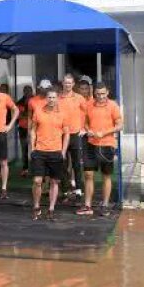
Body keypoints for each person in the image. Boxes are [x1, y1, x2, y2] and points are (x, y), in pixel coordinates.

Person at [80, 81, 123, 217]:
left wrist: (104, 133)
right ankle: (87, 205)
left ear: (107, 93)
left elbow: (120, 125)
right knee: (88, 174)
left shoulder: (113, 106)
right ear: (94, 93)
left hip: (107, 144)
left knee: (106, 175)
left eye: (103, 94)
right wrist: (88, 130)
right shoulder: (89, 105)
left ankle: (105, 205)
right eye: (98, 94)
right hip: (90, 144)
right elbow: (85, 121)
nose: (100, 96)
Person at [29, 88, 70, 221]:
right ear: (46, 99)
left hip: (55, 152)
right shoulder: (38, 112)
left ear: (57, 98)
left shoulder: (63, 114)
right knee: (37, 180)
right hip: (40, 151)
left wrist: (63, 151)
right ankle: (36, 207)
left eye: (54, 97)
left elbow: (67, 134)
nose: (51, 100)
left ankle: (51, 209)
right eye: (49, 97)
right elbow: (33, 130)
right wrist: (33, 147)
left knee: (54, 181)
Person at [57, 73, 87, 203]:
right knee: (62, 163)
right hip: (62, 135)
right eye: (65, 82)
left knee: (77, 164)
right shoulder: (57, 98)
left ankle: (79, 190)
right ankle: (64, 191)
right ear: (62, 83)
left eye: (70, 83)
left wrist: (84, 128)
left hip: (75, 134)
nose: (67, 85)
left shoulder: (79, 98)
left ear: (73, 84)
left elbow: (88, 113)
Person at [15, 84, 35, 177]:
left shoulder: (36, 101)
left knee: (35, 149)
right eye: (26, 91)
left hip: (35, 129)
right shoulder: (19, 102)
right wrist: (27, 114)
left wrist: (26, 114)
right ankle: (25, 168)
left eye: (29, 90)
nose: (28, 92)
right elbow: (18, 115)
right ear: (23, 92)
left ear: (32, 91)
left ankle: (36, 169)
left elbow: (36, 115)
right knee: (24, 150)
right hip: (23, 129)